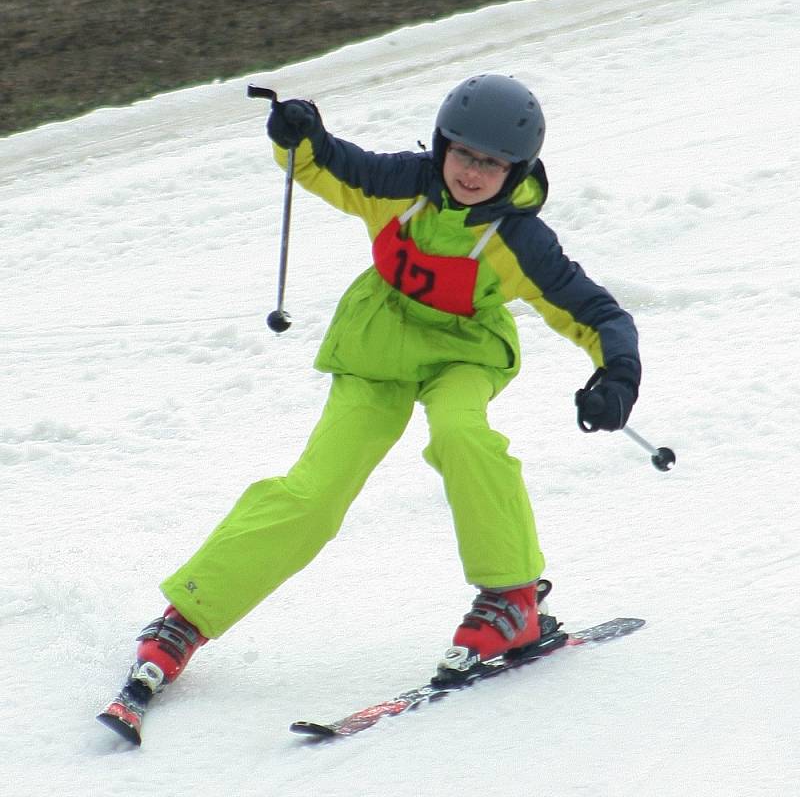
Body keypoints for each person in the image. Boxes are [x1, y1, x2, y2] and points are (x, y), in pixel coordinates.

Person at [125, 74, 640, 695]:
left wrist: (616, 374)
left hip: (462, 356)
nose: (474, 173)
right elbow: (330, 165)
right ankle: (188, 618)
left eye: (494, 163)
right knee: (314, 492)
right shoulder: (403, 185)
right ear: (442, 145)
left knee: (461, 435)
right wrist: (301, 133)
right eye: (465, 155)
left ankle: (513, 600)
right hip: (375, 351)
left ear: (518, 169)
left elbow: (596, 311)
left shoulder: (518, 238)